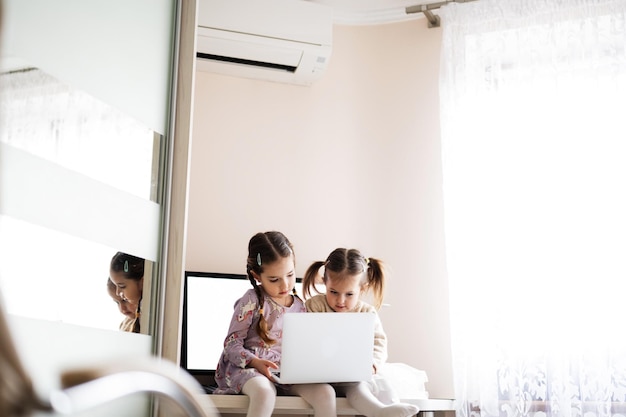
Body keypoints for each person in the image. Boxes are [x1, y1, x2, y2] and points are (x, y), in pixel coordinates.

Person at [214, 231, 336, 417]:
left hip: (285, 372)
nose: (285, 285)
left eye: (290, 275)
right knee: (264, 393)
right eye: (274, 279)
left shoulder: (300, 306)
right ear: (257, 276)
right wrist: (254, 361)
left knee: (326, 393)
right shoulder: (251, 300)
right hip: (250, 368)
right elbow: (231, 344)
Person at [302, 248, 419, 417]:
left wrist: (373, 363)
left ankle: (379, 411)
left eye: (349, 294)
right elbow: (306, 338)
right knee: (325, 391)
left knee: (360, 388)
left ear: (362, 289)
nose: (340, 301)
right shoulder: (314, 305)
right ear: (324, 283)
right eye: (333, 292)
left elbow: (379, 342)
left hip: (351, 374)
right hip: (319, 375)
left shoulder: (367, 312)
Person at [108, 252, 144, 333]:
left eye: (122, 286)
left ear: (143, 282)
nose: (118, 292)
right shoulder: (124, 325)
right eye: (117, 303)